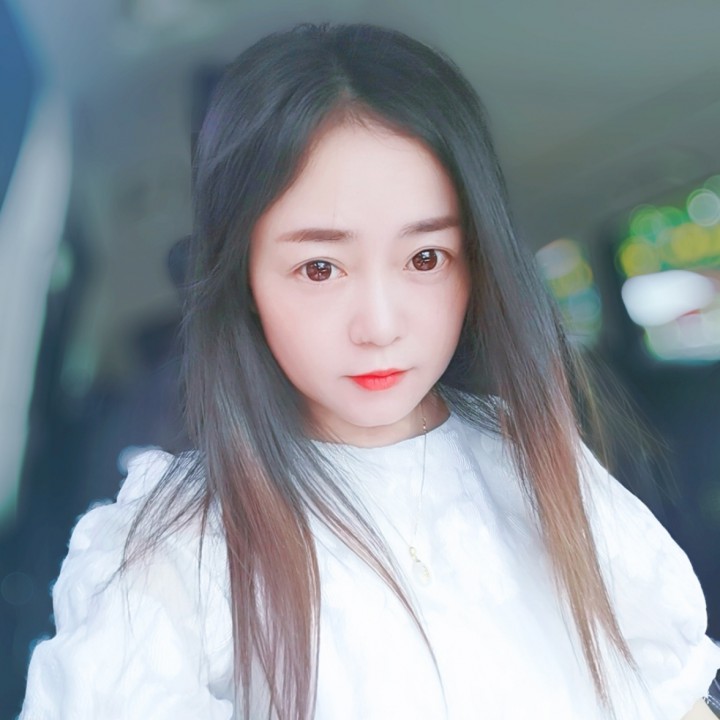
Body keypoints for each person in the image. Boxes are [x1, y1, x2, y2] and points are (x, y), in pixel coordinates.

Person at [19, 23, 720, 720]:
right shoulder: (175, 547)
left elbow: (675, 699)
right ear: (244, 281)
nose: (380, 325)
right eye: (320, 268)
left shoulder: (543, 465)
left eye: (424, 259)